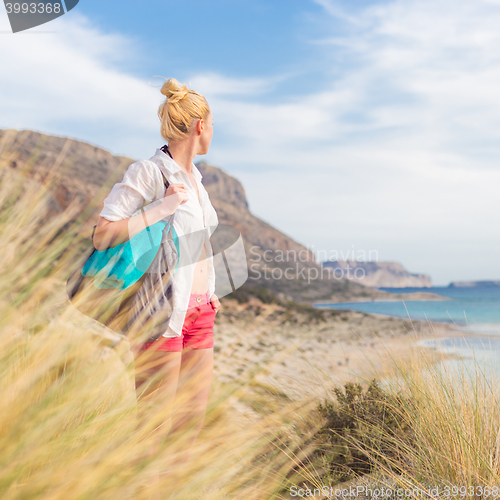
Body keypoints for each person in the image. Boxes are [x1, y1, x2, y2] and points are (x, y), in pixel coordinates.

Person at [92, 77, 220, 475]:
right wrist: (160, 210)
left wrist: (211, 293)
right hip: (159, 312)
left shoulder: (198, 181)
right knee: (152, 429)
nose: (213, 132)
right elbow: (102, 235)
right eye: (213, 125)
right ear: (201, 125)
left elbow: (197, 244)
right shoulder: (149, 172)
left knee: (187, 431)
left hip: (201, 313)